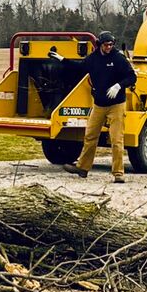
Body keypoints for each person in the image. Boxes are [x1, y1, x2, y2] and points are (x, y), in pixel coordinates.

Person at [49, 30, 136, 182]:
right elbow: (80, 67)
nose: (109, 47)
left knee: (116, 139)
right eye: (106, 45)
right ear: (99, 45)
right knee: (90, 137)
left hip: (116, 105)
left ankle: (118, 174)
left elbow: (132, 77)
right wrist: (63, 60)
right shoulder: (93, 59)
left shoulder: (119, 58)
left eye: (111, 44)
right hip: (99, 105)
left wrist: (118, 86)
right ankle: (82, 168)